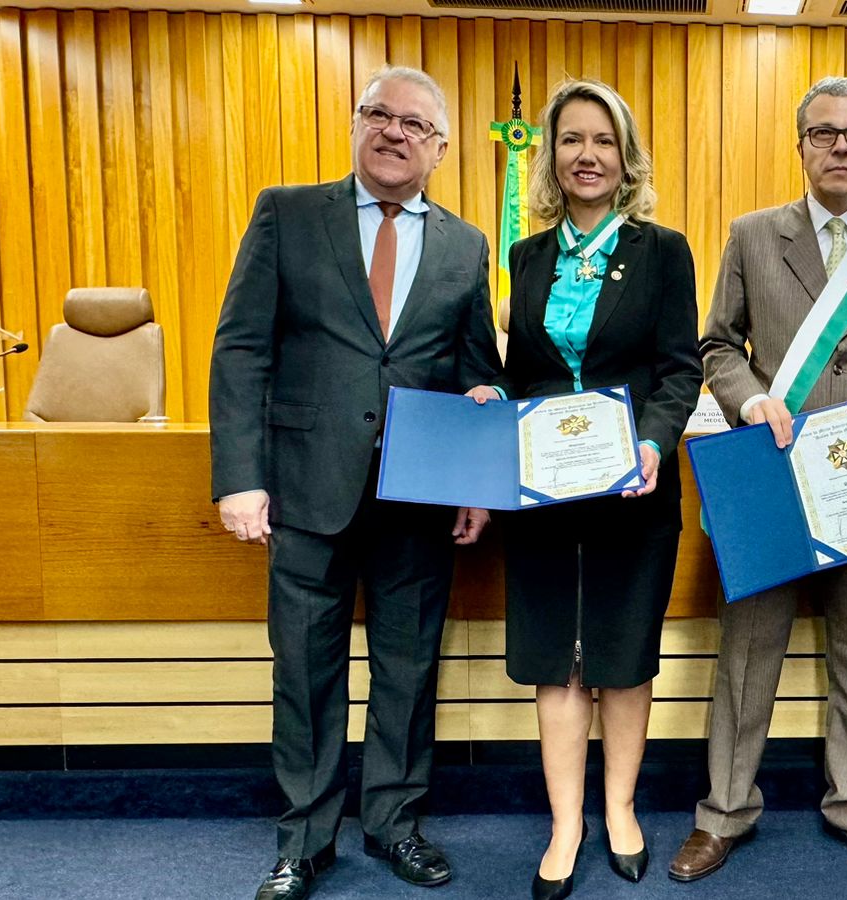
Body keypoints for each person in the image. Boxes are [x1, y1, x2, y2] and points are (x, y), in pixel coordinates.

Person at [210, 66, 502, 900]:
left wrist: (476, 481)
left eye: (415, 124)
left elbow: (476, 372)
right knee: (304, 666)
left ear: (439, 149)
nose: (395, 131)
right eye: (380, 113)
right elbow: (241, 349)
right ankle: (303, 839)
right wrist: (240, 477)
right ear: (354, 123)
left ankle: (395, 825)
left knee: (409, 668)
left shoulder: (464, 244)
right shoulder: (288, 213)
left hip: (420, 492)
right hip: (304, 486)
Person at [669, 75, 847, 883]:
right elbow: (715, 345)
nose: (839, 147)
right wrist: (750, 398)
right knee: (748, 652)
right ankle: (723, 812)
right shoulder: (754, 235)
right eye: (823, 133)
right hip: (771, 472)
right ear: (800, 147)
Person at [473, 79, 701, 900]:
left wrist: (651, 441)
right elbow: (524, 371)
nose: (587, 156)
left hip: (635, 487)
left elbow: (681, 369)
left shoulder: (663, 251)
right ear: (551, 156)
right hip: (543, 490)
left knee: (622, 652)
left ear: (625, 155)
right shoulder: (526, 257)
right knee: (554, 661)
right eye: (571, 140)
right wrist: (492, 394)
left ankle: (621, 809)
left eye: (603, 141)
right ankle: (566, 823)